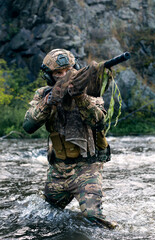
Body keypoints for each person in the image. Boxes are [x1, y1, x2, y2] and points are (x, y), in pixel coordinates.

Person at [23, 49, 117, 229]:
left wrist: (80, 97)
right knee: (44, 216)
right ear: (50, 76)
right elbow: (28, 126)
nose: (64, 76)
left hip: (86, 168)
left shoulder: (89, 89)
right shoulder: (43, 94)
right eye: (58, 73)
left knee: (94, 219)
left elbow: (98, 120)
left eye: (68, 70)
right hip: (58, 170)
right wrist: (49, 100)